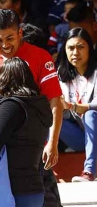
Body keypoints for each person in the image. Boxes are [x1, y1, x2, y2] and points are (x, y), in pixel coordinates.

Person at [0, 9, 63, 206]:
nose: (5, 45)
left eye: (10, 38)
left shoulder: (40, 57)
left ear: (20, 32)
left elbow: (55, 102)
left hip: (31, 150)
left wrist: (52, 143)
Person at [0, 57, 53, 207]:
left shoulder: (10, 106)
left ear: (3, 79)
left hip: (9, 191)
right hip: (34, 190)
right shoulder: (40, 106)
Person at [57, 27, 97, 182]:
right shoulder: (62, 73)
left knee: (90, 115)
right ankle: (48, 172)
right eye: (71, 48)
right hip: (82, 138)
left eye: (81, 47)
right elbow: (63, 110)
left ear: (90, 48)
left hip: (93, 126)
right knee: (51, 118)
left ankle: (89, 172)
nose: (75, 53)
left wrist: (78, 107)